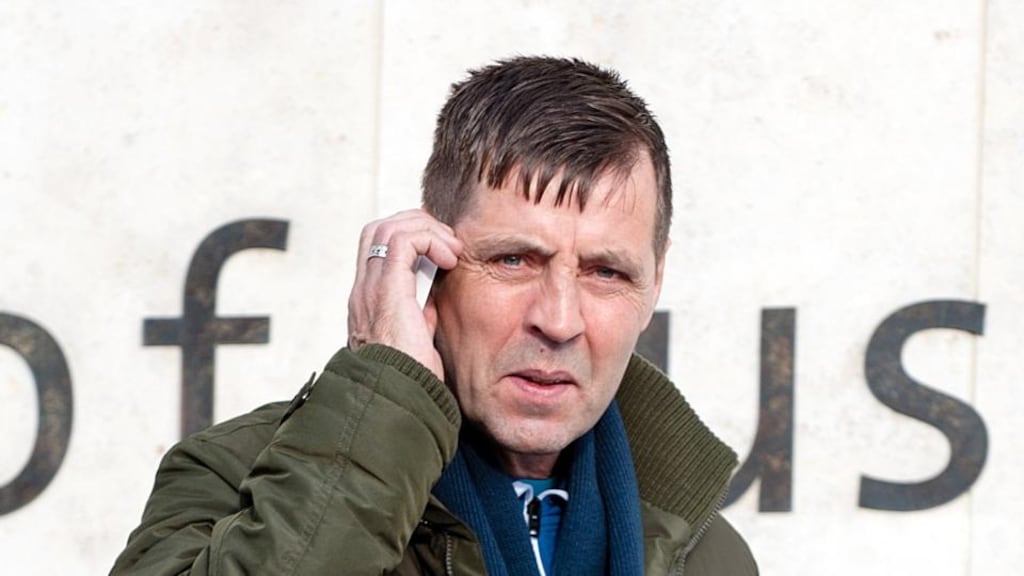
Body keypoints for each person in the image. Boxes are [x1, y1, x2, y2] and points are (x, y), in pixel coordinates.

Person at [111, 56, 758, 576]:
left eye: (605, 272)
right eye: (514, 260)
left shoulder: (707, 553)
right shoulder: (234, 482)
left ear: (656, 281)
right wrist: (381, 391)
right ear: (429, 263)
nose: (559, 320)